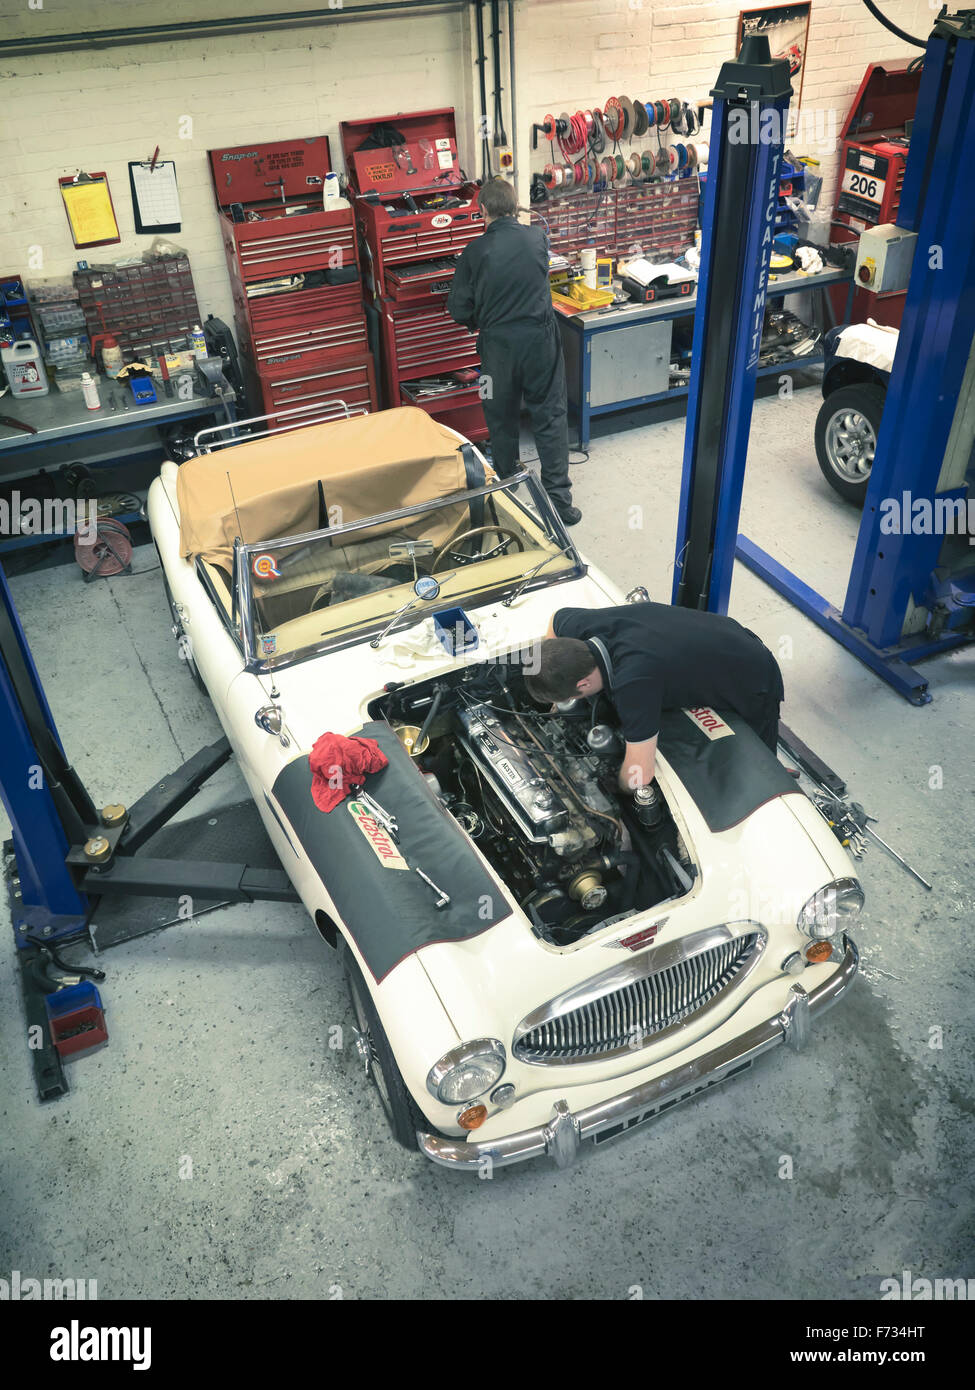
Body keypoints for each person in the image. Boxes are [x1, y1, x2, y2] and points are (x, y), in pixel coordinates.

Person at [525, 601, 785, 791]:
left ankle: (779, 781)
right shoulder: (575, 626)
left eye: (569, 697)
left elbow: (639, 775)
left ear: (583, 683)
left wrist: (614, 789)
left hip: (751, 672)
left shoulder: (634, 683)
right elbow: (554, 619)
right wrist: (553, 685)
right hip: (716, 634)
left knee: (760, 769)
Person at [446, 178, 580, 526]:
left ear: (482, 211)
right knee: (551, 415)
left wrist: (482, 319)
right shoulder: (537, 237)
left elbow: (458, 308)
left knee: (498, 414)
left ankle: (506, 487)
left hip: (496, 351)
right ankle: (560, 503)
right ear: (515, 206)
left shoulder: (473, 253)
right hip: (541, 344)